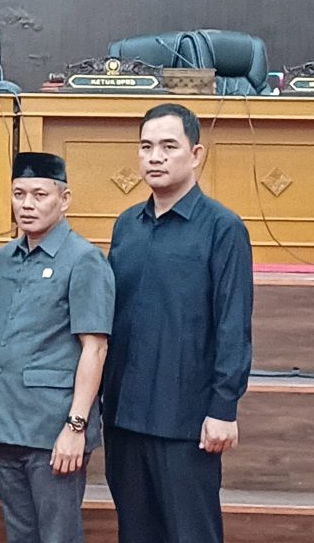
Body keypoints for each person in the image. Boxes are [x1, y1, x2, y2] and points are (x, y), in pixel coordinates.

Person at [103, 103, 253, 543]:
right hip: (124, 415)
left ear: (196, 154)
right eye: (146, 146)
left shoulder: (223, 228)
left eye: (169, 147)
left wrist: (223, 408)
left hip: (186, 419)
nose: (155, 157)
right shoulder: (126, 225)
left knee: (191, 533)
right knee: (135, 532)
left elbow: (233, 324)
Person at [0, 152, 115, 543]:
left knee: (57, 536)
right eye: (19, 194)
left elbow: (95, 349)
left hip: (54, 428)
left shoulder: (84, 260)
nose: (27, 205)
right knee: (20, 534)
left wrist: (75, 427)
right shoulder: (5, 258)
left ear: (64, 200)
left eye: (39, 194)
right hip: (7, 424)